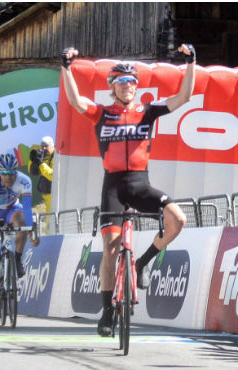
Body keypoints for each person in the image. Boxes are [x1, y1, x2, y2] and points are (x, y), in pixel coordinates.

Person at [61, 44, 196, 336]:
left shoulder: (147, 111)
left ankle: (142, 263)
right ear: (113, 86)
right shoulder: (102, 113)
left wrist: (191, 63)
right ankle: (107, 313)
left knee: (179, 220)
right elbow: (75, 101)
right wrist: (66, 68)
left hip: (139, 184)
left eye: (132, 82)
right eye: (122, 82)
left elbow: (184, 97)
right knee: (110, 250)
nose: (128, 86)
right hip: (112, 187)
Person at [0, 152, 34, 317]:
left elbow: (27, 207)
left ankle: (17, 259)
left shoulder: (24, 180)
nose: (9, 178)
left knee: (22, 224)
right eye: (4, 174)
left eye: (12, 174)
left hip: (12, 209)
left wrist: (31, 229)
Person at [28, 136, 55, 212]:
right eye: (42, 146)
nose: (44, 149)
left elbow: (53, 176)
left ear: (52, 146)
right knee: (48, 219)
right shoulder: (43, 156)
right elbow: (33, 172)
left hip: (54, 194)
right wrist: (33, 161)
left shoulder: (56, 156)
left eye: (46, 146)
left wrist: (40, 163)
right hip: (46, 195)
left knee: (50, 220)